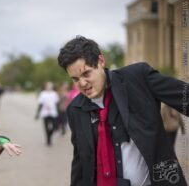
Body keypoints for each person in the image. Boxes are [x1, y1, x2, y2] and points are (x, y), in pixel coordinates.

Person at [57, 36, 189, 186]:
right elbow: (81, 164)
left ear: (100, 61)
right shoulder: (75, 109)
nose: (82, 83)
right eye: (75, 79)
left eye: (86, 73)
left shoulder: (137, 77)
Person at [35, 81, 60, 146]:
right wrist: (37, 114)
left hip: (53, 113)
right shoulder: (42, 94)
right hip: (45, 113)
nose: (49, 87)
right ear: (45, 86)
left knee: (55, 127)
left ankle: (50, 135)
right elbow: (40, 104)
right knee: (46, 127)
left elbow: (57, 104)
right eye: (48, 86)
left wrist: (58, 113)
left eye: (50, 85)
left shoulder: (54, 94)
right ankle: (48, 140)